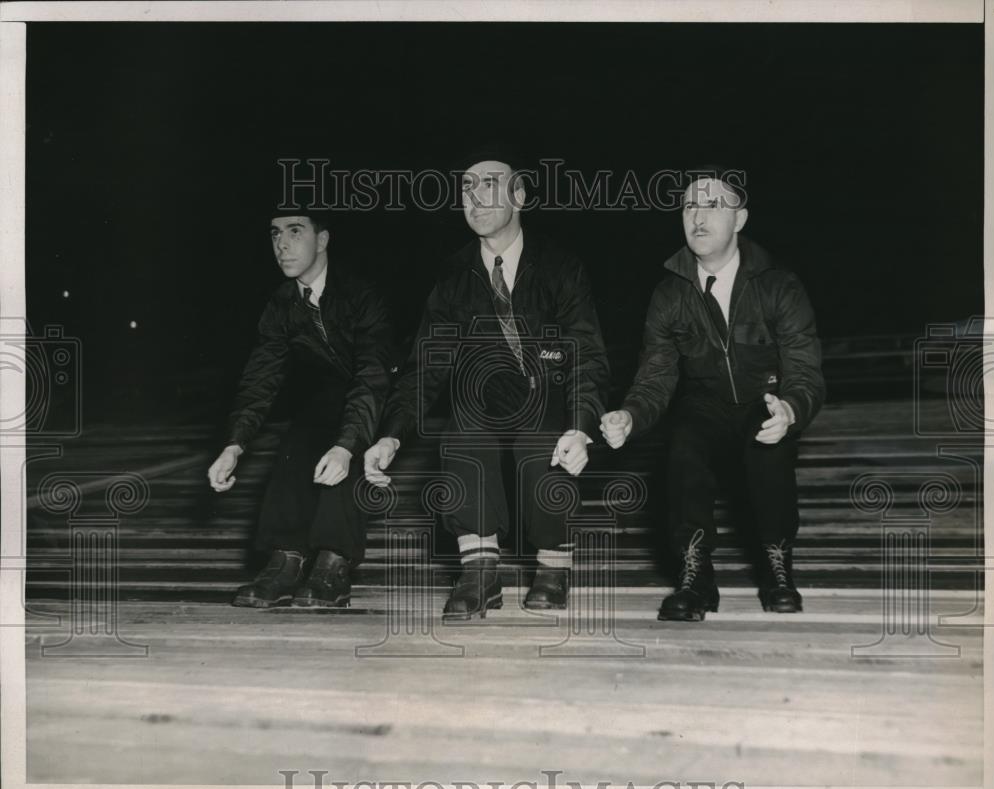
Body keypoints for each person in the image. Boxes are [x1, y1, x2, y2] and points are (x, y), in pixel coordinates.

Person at [364, 148, 610, 619]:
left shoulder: (560, 265)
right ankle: (480, 570)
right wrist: (391, 433)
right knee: (461, 435)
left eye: (490, 186)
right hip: (485, 394)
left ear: (519, 195)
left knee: (542, 444)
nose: (475, 199)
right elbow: (426, 365)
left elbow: (587, 353)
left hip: (546, 391)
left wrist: (581, 424)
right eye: (466, 189)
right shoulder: (454, 273)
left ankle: (553, 564)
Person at [601, 169, 825, 621]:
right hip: (705, 403)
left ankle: (778, 569)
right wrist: (630, 415)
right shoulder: (669, 293)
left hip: (765, 399)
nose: (698, 216)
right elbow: (656, 377)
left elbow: (806, 372)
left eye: (713, 205)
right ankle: (696, 578)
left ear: (740, 219)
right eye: (689, 205)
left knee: (771, 443)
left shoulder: (779, 285)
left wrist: (791, 408)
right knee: (683, 446)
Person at [208, 208, 394, 609]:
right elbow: (261, 379)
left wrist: (347, 446)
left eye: (295, 231)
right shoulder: (281, 304)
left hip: (388, 394)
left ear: (322, 240)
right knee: (300, 435)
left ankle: (333, 561)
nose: (282, 244)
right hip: (334, 394)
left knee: (347, 442)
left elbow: (372, 377)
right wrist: (234, 445)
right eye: (275, 233)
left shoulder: (362, 293)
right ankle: (286, 558)